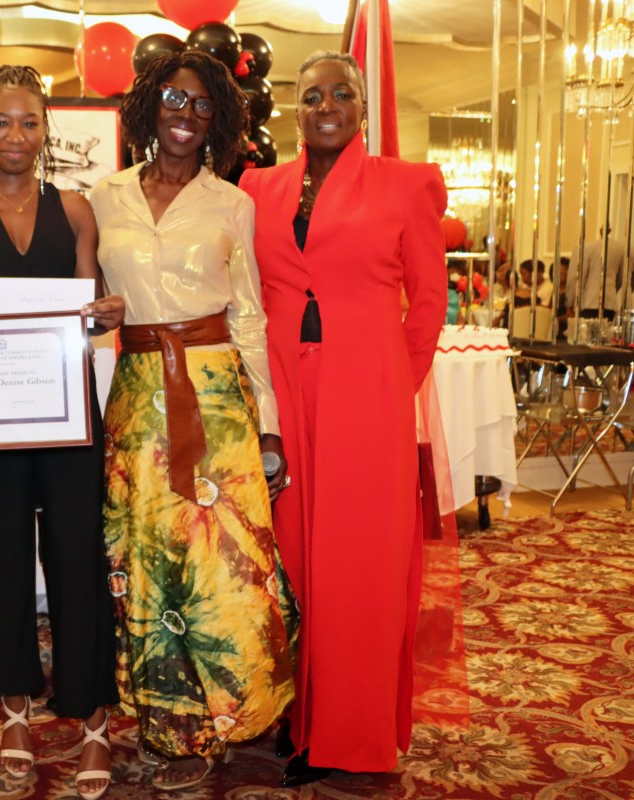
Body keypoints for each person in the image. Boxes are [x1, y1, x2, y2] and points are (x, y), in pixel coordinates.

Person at [238, 52, 448, 787]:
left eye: (342, 92)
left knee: (359, 568)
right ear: (294, 110)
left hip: (368, 401)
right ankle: (302, 717)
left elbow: (427, 307)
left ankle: (350, 737)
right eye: (311, 94)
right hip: (285, 399)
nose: (326, 104)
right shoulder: (258, 188)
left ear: (362, 105)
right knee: (294, 560)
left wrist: (390, 391)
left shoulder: (408, 183)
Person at [89, 50, 294, 792]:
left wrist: (266, 421)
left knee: (223, 565)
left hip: (215, 398)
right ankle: (165, 724)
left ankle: (230, 717)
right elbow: (80, 304)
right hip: (139, 394)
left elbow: (249, 315)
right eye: (174, 99)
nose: (186, 115)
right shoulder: (102, 196)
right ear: (150, 106)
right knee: (145, 559)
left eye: (202, 106)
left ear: (220, 121)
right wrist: (90, 321)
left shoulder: (232, 204)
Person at [0, 64, 124, 800]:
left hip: (67, 407)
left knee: (78, 558)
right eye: (2, 121)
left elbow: (87, 301)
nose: (16, 135)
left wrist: (104, 313)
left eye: (30, 122)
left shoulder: (74, 209)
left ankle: (92, 716)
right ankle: (15, 710)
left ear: (47, 130)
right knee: (0, 556)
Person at [568, 226, 634, 320]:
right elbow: (622, 277)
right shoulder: (621, 249)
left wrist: (570, 302)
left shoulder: (587, 248)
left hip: (588, 300)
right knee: (605, 332)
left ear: (600, 232)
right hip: (610, 301)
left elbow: (578, 277)